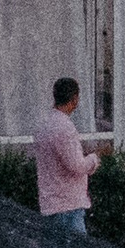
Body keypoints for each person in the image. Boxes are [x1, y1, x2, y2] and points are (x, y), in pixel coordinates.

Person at [35, 75, 98, 235]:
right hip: (68, 205)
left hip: (49, 203)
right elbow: (77, 166)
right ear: (75, 98)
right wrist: (93, 159)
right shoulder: (65, 128)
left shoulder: (44, 124)